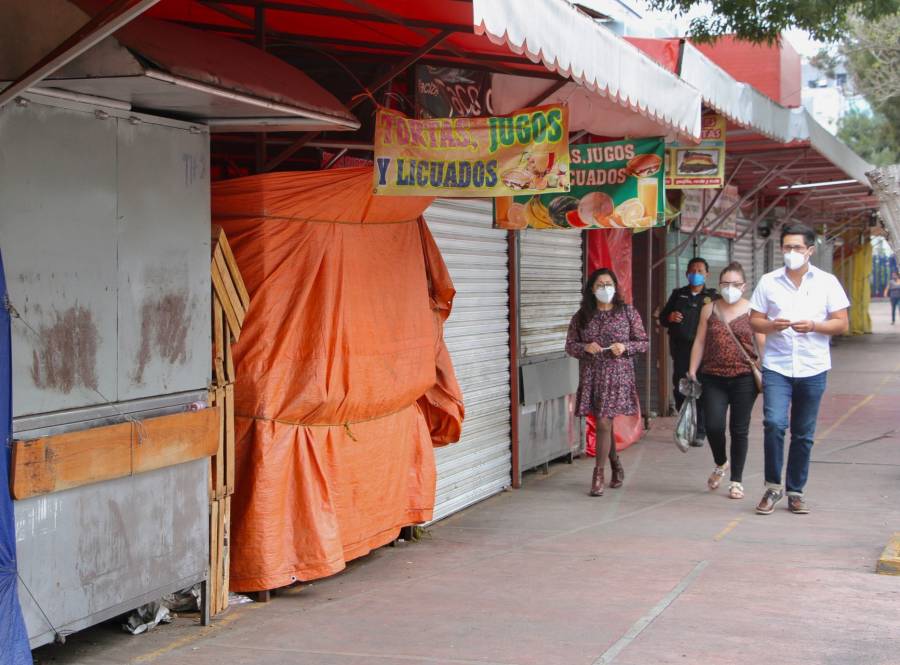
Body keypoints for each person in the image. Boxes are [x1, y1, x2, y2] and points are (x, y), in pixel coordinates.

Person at [749, 223, 849, 515]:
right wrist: (772, 325)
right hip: (777, 365)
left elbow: (842, 322)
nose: (791, 253)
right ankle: (772, 486)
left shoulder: (827, 282)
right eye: (787, 247)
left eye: (797, 248)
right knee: (774, 424)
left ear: (810, 250)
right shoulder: (768, 281)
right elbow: (755, 320)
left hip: (813, 366)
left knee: (803, 433)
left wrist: (815, 326)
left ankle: (795, 490)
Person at [687, 262, 766, 500]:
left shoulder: (753, 311)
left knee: (739, 429)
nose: (730, 288)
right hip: (713, 377)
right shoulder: (709, 309)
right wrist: (692, 369)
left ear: (744, 286)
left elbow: (762, 344)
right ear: (718, 285)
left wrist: (770, 370)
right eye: (725, 284)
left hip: (744, 378)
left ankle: (736, 481)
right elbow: (700, 341)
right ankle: (721, 462)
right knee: (713, 426)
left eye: (735, 284)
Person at [566, 268, 648, 496]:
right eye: (600, 285)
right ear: (592, 289)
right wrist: (585, 347)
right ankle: (616, 464)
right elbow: (570, 345)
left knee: (603, 422)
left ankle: (598, 474)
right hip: (592, 374)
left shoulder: (627, 313)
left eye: (608, 284)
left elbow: (643, 342)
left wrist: (626, 347)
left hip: (618, 374)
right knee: (604, 422)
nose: (605, 289)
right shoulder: (582, 316)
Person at [659, 257, 718, 446]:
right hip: (681, 350)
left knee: (701, 389)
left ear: (707, 274)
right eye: (693, 271)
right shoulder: (678, 295)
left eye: (700, 271)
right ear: (687, 274)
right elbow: (662, 319)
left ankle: (700, 430)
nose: (696, 274)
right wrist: (670, 316)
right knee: (680, 389)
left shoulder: (712, 297)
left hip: (704, 352)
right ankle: (685, 426)